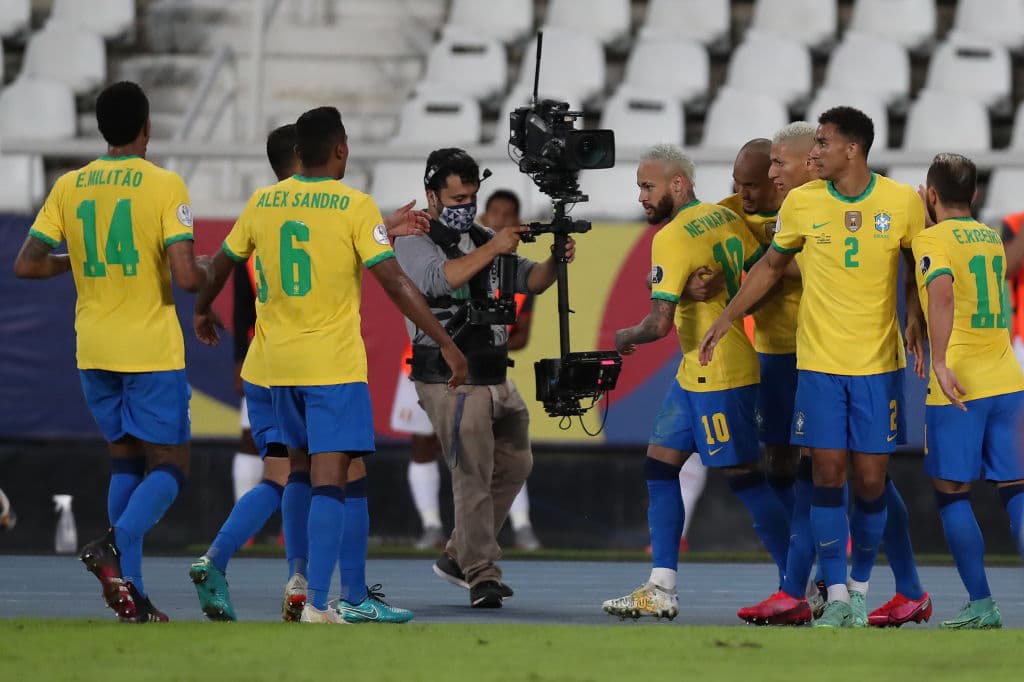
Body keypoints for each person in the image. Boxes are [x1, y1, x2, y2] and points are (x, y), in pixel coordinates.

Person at [194, 106, 467, 624]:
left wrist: (202, 308)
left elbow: (223, 264)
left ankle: (315, 588)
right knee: (331, 477)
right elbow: (395, 283)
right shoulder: (353, 204)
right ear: (340, 149)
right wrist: (445, 343)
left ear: (300, 152)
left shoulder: (264, 201)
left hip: (274, 365)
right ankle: (324, 601)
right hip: (331, 365)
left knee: (300, 472)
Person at [699, 107, 927, 628]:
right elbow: (769, 266)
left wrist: (914, 317)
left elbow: (918, 262)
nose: (815, 153)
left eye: (821, 144)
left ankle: (874, 589)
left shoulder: (900, 202)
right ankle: (836, 594)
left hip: (877, 368)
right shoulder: (801, 204)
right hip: (816, 367)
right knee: (819, 476)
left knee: (872, 484)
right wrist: (727, 318)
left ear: (850, 149)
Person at [13, 81, 210, 623]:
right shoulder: (164, 184)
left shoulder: (70, 185)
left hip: (93, 346)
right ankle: (111, 547)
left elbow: (27, 264)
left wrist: (72, 263)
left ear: (103, 129)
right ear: (147, 127)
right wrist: (222, 265)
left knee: (126, 458)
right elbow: (189, 277)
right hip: (148, 347)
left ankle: (133, 597)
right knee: (171, 464)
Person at [601, 144, 791, 620]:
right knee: (659, 468)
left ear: (678, 184)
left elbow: (658, 325)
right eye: (639, 187)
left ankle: (799, 583)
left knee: (746, 479)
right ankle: (660, 586)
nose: (642, 196)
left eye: (649, 186)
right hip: (697, 370)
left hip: (719, 370)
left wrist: (623, 336)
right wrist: (706, 285)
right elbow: (760, 260)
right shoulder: (720, 217)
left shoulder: (670, 237)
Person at [393, 149, 570, 608]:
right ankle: (481, 573)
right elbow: (438, 280)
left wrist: (556, 260)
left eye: (471, 195)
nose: (465, 204)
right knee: (471, 470)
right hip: (447, 372)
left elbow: (528, 280)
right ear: (431, 196)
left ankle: (458, 554)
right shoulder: (414, 238)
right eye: (455, 197)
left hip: (493, 371)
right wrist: (493, 245)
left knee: (514, 463)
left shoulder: (478, 234)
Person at [392, 189, 542, 552]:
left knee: (491, 452)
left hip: (481, 367)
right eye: (495, 213)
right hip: (426, 362)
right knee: (424, 444)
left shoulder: (513, 272)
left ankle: (507, 531)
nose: (501, 221)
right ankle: (432, 526)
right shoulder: (444, 253)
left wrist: (484, 334)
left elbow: (519, 335)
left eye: (509, 215)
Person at [912, 153, 1024, 629]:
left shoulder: (929, 238)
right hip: (1009, 380)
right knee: (1017, 491)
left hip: (958, 383)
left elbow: (940, 292)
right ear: (975, 195)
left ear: (931, 194)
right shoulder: (992, 237)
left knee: (952, 493)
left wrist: (938, 360)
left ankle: (981, 605)